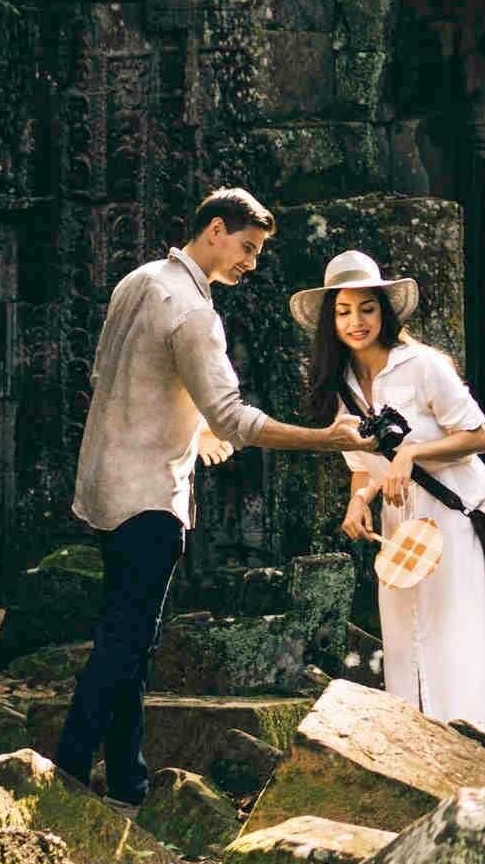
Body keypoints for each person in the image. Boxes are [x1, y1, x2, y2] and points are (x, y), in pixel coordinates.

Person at [54, 188, 367, 804]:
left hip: (106, 483)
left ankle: (127, 780)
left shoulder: (140, 280)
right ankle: (66, 773)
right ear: (215, 230)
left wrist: (193, 430)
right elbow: (234, 418)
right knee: (123, 645)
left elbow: (117, 376)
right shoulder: (194, 312)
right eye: (247, 248)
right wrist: (326, 439)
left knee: (128, 640)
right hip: (150, 497)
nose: (251, 263)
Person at [296, 247, 485, 727]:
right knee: (405, 624)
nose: (356, 321)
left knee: (454, 624)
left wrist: (411, 453)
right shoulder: (340, 384)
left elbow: (478, 436)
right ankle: (416, 736)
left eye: (367, 308)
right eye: (343, 311)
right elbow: (362, 465)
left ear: (384, 312)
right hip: (400, 521)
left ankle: (470, 734)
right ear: (330, 321)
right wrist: (358, 500)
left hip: (453, 514)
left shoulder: (423, 365)